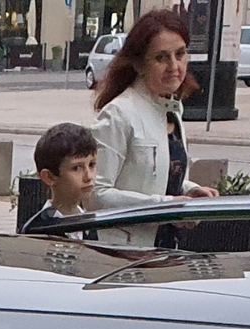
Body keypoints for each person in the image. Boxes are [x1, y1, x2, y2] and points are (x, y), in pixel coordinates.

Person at [88, 10, 221, 214]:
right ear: (139, 64)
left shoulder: (172, 109)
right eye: (161, 57)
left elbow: (157, 177)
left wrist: (190, 189)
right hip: (123, 244)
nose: (174, 66)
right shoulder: (118, 114)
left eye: (180, 54)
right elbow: (95, 195)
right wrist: (166, 204)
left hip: (167, 241)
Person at [32, 119, 100, 220]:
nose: (89, 176)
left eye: (92, 165)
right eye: (76, 168)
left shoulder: (90, 224)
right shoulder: (39, 228)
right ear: (49, 177)